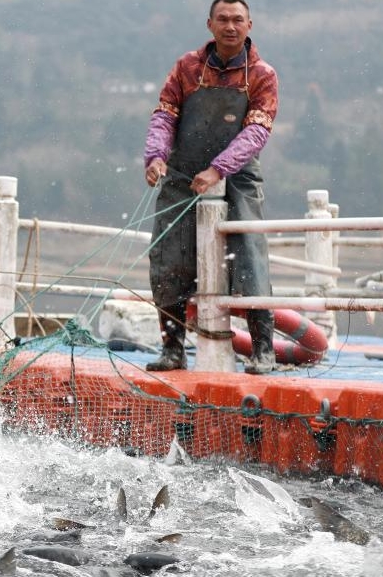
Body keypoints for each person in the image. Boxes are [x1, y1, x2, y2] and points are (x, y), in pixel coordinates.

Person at [143, 0, 278, 374]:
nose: (230, 26)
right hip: (183, 174)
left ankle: (263, 349)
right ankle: (172, 348)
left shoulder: (262, 74)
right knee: (168, 259)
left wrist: (219, 169)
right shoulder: (187, 67)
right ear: (209, 24)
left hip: (237, 178)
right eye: (223, 19)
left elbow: (256, 131)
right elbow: (164, 114)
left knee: (250, 257)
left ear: (250, 24)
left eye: (238, 19)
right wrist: (155, 156)